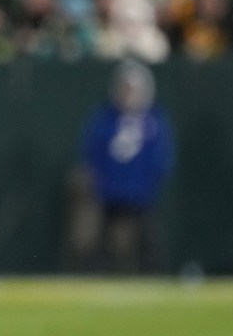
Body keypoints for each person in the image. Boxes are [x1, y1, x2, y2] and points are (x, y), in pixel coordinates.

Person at [66, 59, 175, 273]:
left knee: (147, 240)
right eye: (124, 88)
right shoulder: (105, 117)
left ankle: (151, 276)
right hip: (109, 191)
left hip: (141, 192)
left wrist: (152, 181)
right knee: (101, 240)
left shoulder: (153, 120)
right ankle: (98, 276)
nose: (128, 94)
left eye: (133, 89)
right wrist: (98, 180)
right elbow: (91, 150)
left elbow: (162, 155)